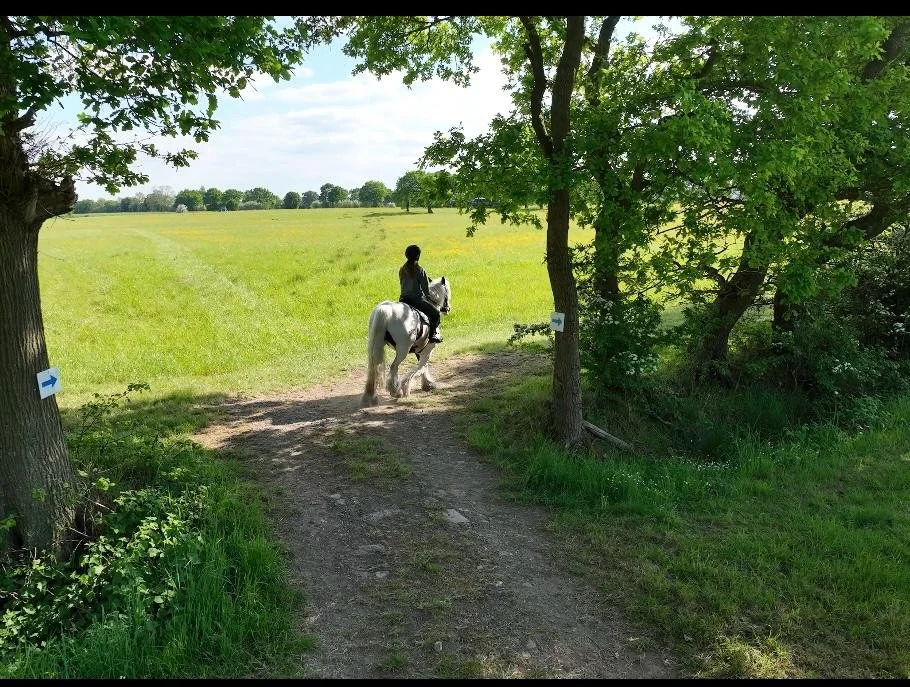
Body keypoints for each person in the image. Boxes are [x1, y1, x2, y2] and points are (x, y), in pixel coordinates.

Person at [398, 244, 442, 343]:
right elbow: (426, 291)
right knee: (435, 314)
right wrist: (432, 299)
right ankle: (433, 335)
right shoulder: (420, 270)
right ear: (418, 256)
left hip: (403, 299)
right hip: (416, 300)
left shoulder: (401, 269)